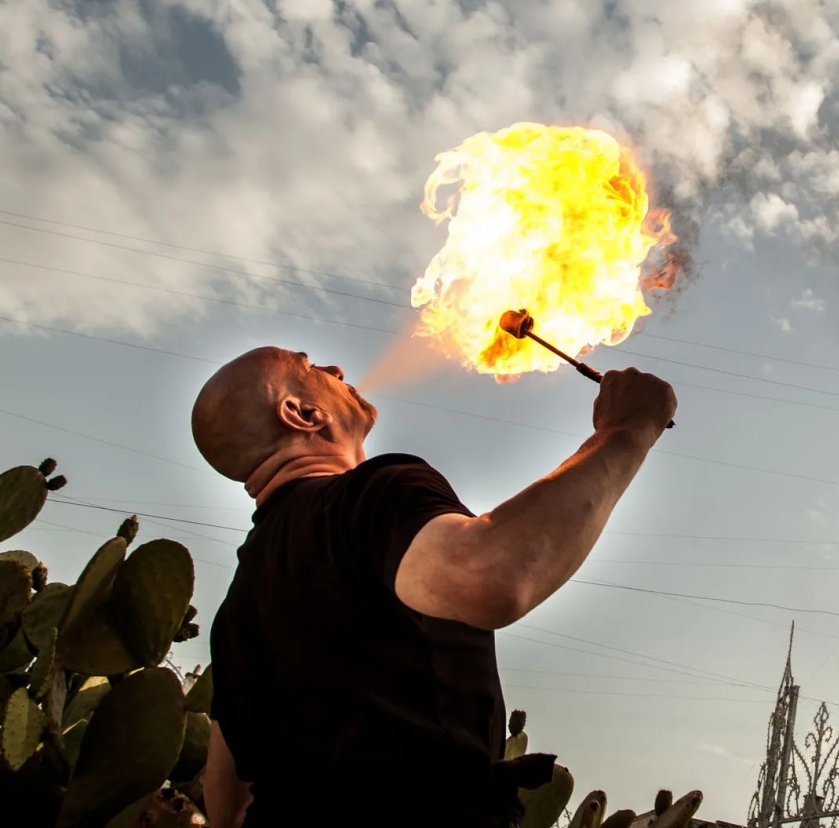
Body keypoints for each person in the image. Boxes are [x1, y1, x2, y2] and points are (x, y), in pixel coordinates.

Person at [192, 347, 677, 828]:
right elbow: (492, 577)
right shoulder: (372, 493)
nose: (336, 369)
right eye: (310, 366)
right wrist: (627, 430)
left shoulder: (237, 608)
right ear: (302, 414)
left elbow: (228, 807)